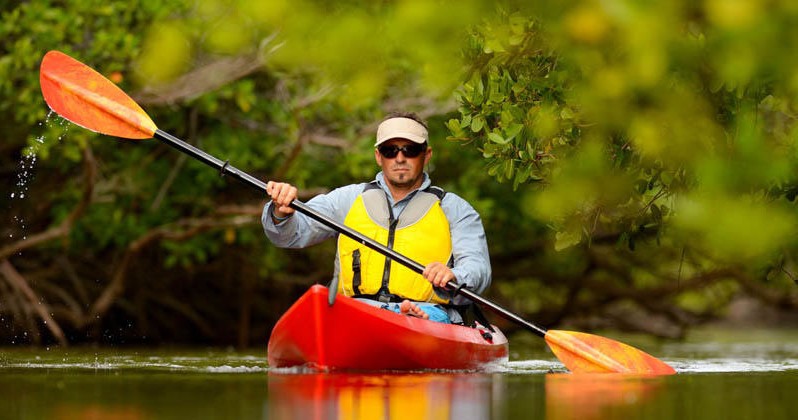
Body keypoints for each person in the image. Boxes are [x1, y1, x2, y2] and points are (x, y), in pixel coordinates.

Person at [262, 112, 491, 323]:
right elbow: (290, 235)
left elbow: (478, 268)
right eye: (390, 150)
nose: (399, 158)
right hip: (357, 310)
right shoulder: (347, 199)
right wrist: (281, 211)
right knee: (328, 311)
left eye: (410, 150)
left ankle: (412, 320)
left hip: (430, 313)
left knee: (427, 316)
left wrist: (454, 275)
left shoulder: (455, 209)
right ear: (378, 156)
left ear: (427, 155)